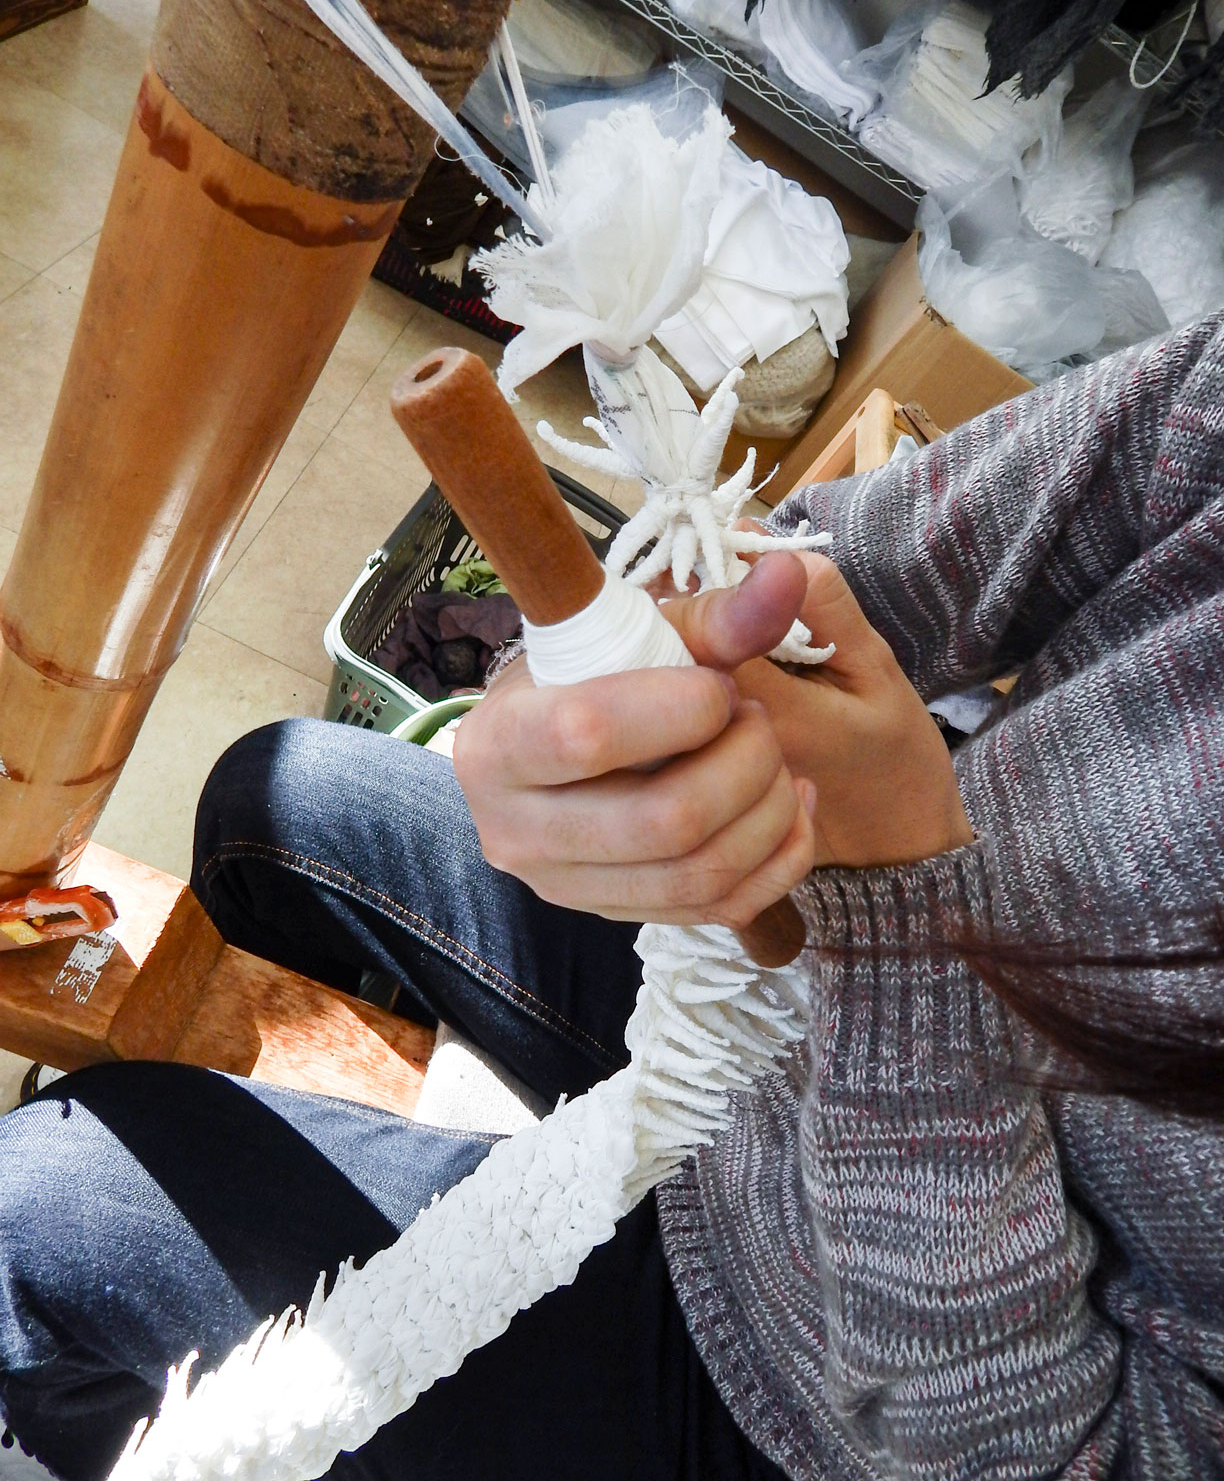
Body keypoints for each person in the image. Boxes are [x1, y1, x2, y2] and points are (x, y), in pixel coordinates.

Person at [1, 314, 1221, 1481]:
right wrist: (652, 659)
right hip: (803, 1013)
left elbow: (1039, 1455)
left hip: (837, 1395)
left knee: (38, 1211)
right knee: (275, 799)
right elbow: (853, 579)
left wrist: (901, 916)